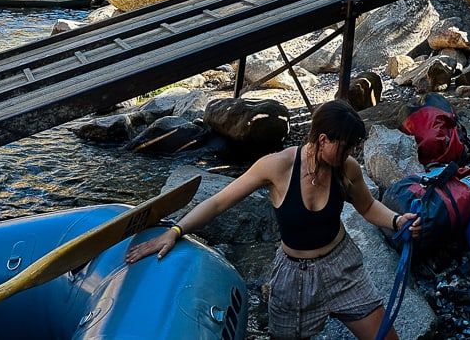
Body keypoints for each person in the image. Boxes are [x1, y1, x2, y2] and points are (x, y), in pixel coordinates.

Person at [125, 100, 420, 340]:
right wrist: (175, 231)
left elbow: (367, 207)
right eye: (347, 146)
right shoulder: (276, 167)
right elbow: (218, 202)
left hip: (342, 268)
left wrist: (396, 221)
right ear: (323, 140)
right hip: (294, 278)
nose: (352, 153)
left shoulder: (346, 168)